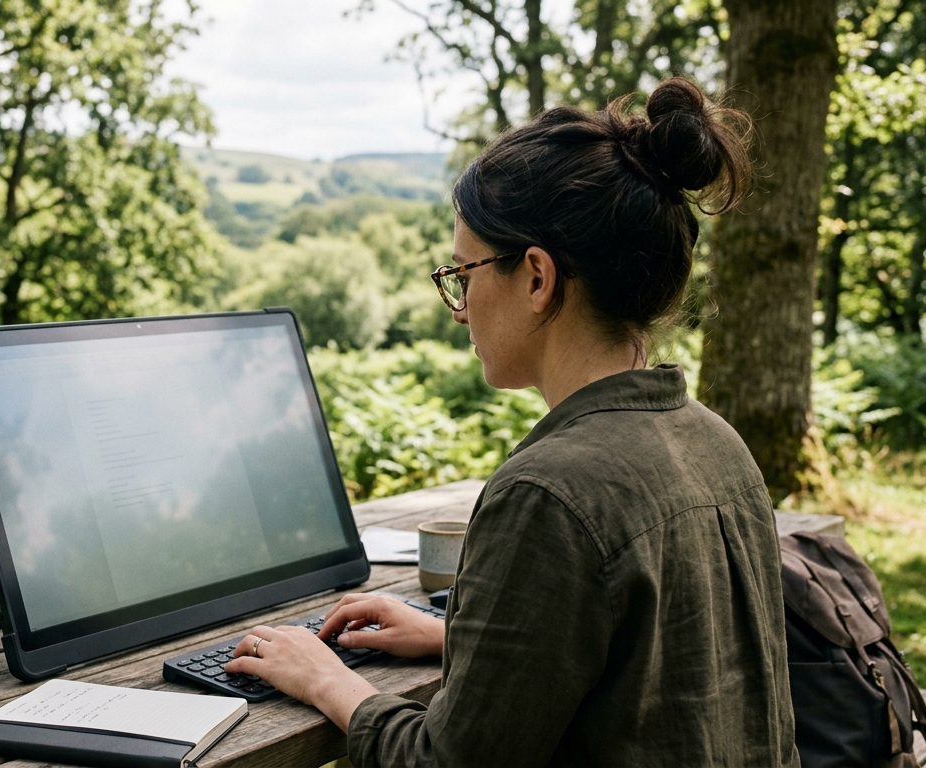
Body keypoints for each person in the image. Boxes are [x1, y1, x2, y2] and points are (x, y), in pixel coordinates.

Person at [222, 77, 799, 767]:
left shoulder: (548, 494)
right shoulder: (713, 441)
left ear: (535, 278)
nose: (461, 307)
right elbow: (662, 659)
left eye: (463, 273)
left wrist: (328, 681)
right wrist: (463, 636)